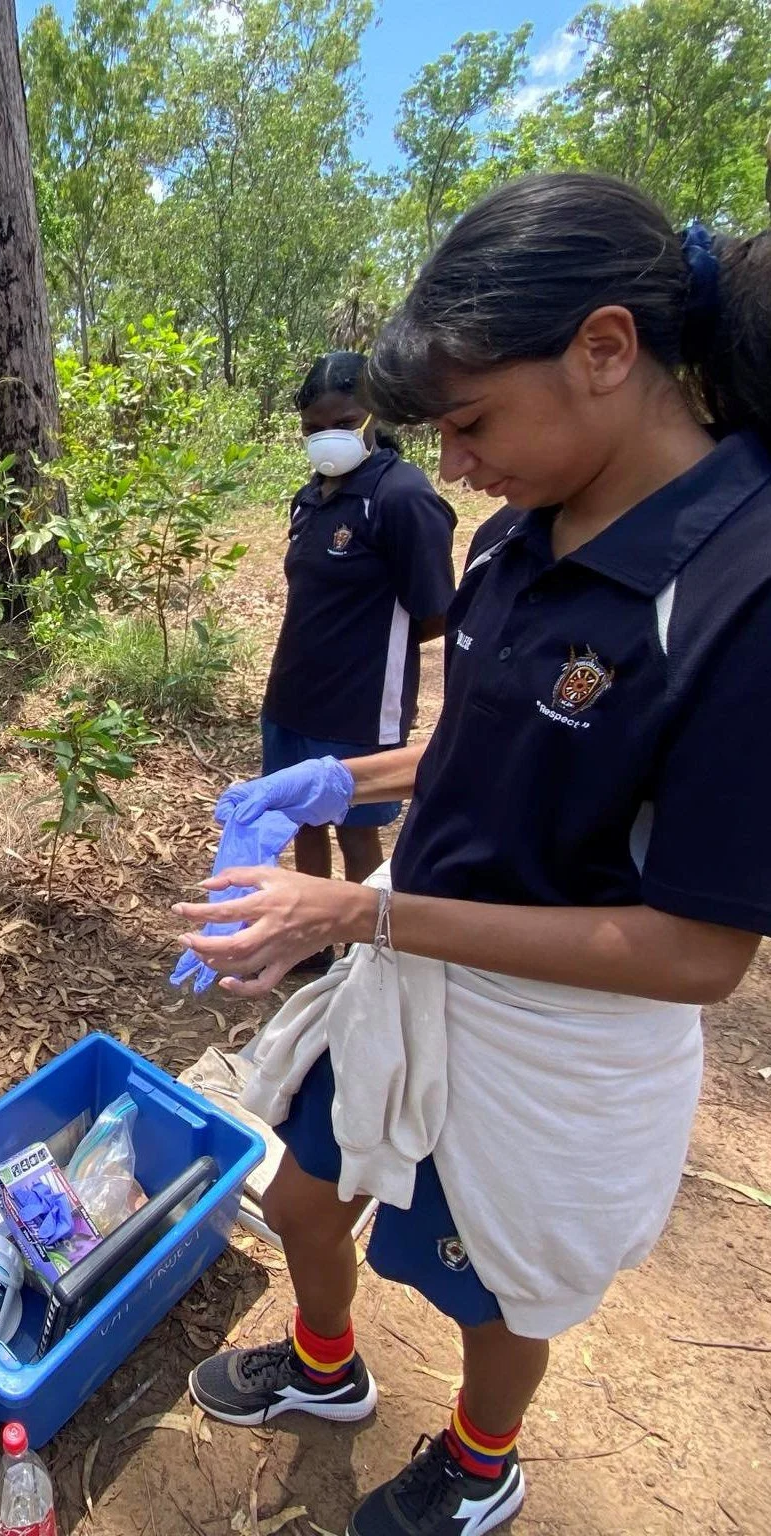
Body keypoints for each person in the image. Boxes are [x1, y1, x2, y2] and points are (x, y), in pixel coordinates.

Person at [178, 173, 771, 1536]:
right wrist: (325, 776)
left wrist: (356, 913)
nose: (454, 465)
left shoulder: (740, 595)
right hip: (420, 960)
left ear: (606, 352)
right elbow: (480, 739)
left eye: (471, 421)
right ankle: (326, 1370)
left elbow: (696, 952)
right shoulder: (524, 531)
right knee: (306, 1190)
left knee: (500, 1282)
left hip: (552, 1038)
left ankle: (481, 1455)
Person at [261, 353, 454, 967]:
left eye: (341, 421)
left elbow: (434, 611)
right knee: (302, 818)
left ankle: (365, 956)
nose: (327, 437)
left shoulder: (401, 496)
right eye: (313, 428)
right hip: (294, 693)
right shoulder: (310, 498)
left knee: (356, 825)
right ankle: (315, 944)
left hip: (361, 700)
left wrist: (364, 646)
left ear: (373, 415)